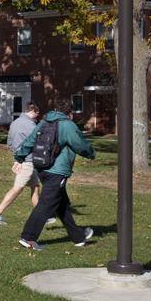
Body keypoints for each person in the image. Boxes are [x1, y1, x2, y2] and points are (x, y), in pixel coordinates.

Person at [15, 99, 96, 250]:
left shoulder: (43, 123)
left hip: (41, 169)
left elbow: (29, 141)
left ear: (55, 109)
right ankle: (28, 237)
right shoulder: (67, 125)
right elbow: (79, 144)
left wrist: (19, 158)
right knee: (46, 204)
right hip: (57, 172)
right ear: (70, 113)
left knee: (61, 204)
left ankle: (78, 237)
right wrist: (91, 153)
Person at [0, 102, 54, 226]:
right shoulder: (30, 124)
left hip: (24, 160)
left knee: (35, 187)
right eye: (37, 114)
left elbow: (9, 142)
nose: (37, 117)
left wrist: (17, 157)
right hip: (28, 161)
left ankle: (41, 216)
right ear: (33, 111)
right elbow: (37, 141)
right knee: (17, 188)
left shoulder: (14, 123)